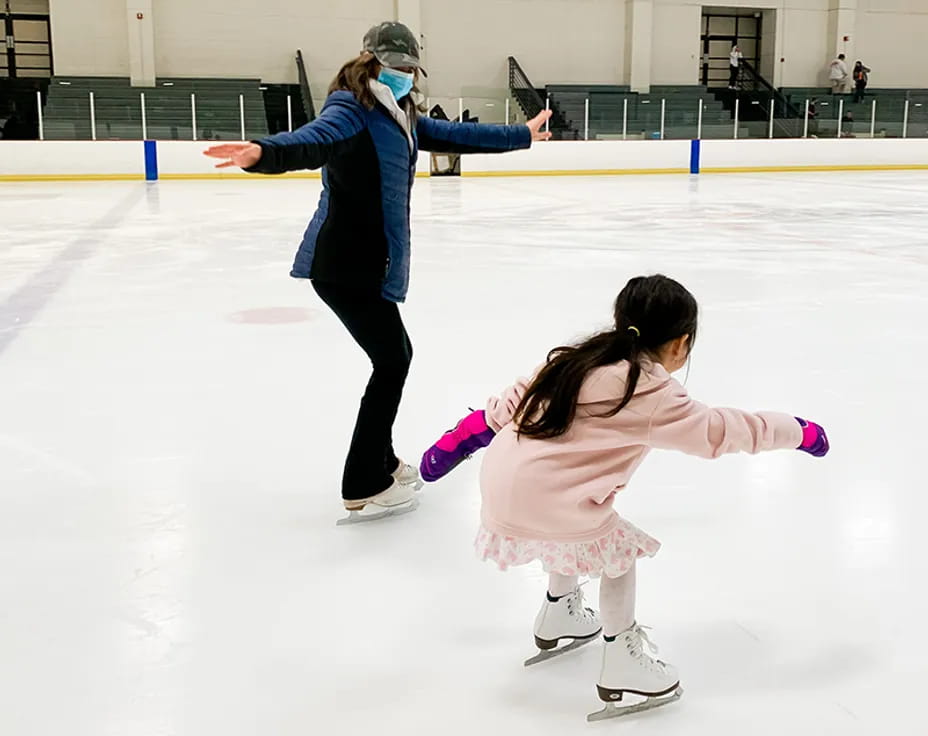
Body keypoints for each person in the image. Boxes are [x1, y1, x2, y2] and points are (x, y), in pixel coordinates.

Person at [420, 274, 829, 719]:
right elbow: (717, 432)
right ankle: (621, 662)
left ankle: (559, 614)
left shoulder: (574, 360)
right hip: (550, 499)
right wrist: (797, 430)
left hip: (500, 486)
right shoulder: (650, 392)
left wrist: (454, 443)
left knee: (577, 533)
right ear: (681, 344)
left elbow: (507, 405)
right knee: (616, 556)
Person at [203, 21, 552, 523]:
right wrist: (265, 153)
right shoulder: (352, 106)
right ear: (373, 61)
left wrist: (520, 134)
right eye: (398, 67)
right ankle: (363, 483)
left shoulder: (401, 112)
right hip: (344, 264)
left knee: (395, 357)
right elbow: (314, 141)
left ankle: (382, 463)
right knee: (392, 362)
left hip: (372, 263)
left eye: (411, 68)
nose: (406, 75)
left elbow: (453, 134)